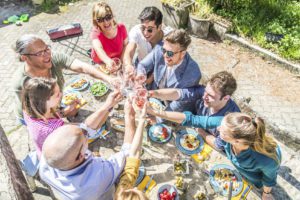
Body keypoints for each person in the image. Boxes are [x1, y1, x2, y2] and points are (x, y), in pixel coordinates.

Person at [165, 112, 281, 200]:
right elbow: (193, 119)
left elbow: (269, 179)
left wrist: (266, 193)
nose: (218, 128)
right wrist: (158, 113)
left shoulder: (266, 160)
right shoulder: (229, 125)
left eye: (223, 132)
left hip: (253, 178)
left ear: (236, 141)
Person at [39, 98, 137, 200]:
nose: (86, 134)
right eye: (85, 137)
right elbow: (128, 152)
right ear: (82, 154)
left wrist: (109, 105)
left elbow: (85, 127)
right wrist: (130, 116)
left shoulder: (46, 160)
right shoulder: (99, 174)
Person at [12, 34, 114, 124]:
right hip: (36, 118)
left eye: (47, 48)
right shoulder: (22, 83)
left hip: (53, 107)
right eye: (39, 53)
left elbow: (82, 66)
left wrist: (109, 79)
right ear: (24, 58)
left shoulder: (52, 57)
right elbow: (39, 118)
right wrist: (64, 112)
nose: (48, 55)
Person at [21, 77, 122, 159]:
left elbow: (53, 113)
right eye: (57, 95)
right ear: (45, 102)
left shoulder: (30, 108)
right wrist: (108, 105)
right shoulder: (52, 129)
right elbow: (86, 128)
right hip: (61, 159)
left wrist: (67, 110)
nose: (61, 95)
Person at [148, 71, 240, 150]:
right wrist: (152, 93)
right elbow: (179, 93)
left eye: (211, 96)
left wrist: (200, 131)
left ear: (226, 98)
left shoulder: (231, 120)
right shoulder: (205, 93)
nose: (204, 97)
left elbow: (218, 145)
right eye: (205, 91)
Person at [137, 29, 201, 111]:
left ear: (183, 54)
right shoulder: (160, 48)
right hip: (152, 96)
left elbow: (178, 104)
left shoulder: (193, 74)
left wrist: (157, 117)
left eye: (170, 53)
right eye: (164, 50)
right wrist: (141, 75)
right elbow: (142, 65)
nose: (165, 55)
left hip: (171, 109)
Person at [114, 99, 148, 200]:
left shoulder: (121, 193)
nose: (136, 187)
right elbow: (134, 155)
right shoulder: (121, 193)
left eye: (134, 189)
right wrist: (141, 120)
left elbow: (133, 155)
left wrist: (140, 120)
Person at [90, 1, 128, 71]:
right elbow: (98, 49)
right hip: (100, 63)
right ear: (96, 22)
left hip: (117, 61)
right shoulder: (95, 32)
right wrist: (108, 61)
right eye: (100, 20)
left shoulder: (121, 28)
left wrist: (122, 61)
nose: (106, 22)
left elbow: (126, 45)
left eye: (108, 17)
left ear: (112, 16)